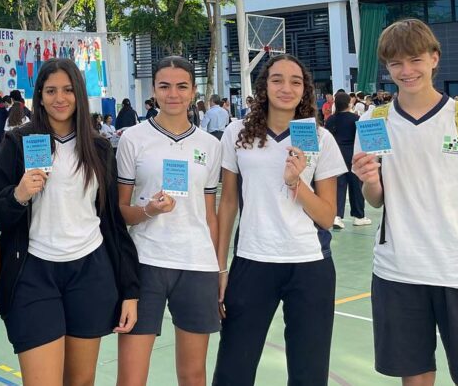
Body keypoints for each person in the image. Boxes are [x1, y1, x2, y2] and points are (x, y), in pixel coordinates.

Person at [352, 19, 458, 386]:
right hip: (397, 272)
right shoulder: (373, 121)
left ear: (434, 58)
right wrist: (370, 182)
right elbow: (376, 201)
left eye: (415, 60)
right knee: (415, 377)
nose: (406, 71)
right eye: (395, 64)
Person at [0, 58, 140, 384]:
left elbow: (114, 222)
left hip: (89, 272)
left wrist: (130, 289)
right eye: (51, 91)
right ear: (40, 96)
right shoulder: (18, 142)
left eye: (68, 90)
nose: (60, 98)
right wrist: (18, 194)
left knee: (81, 381)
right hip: (34, 273)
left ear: (79, 94)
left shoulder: (99, 147)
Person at [213, 55, 346, 384]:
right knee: (233, 370)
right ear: (263, 86)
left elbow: (328, 216)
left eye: (295, 82)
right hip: (252, 261)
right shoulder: (237, 133)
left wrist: (295, 184)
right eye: (277, 80)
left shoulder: (319, 139)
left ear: (305, 90)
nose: (286, 88)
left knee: (309, 373)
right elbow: (227, 203)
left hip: (310, 265)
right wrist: (221, 267)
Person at [117, 57, 223, 386]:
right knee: (132, 377)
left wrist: (220, 268)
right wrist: (149, 210)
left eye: (181, 86)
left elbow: (210, 214)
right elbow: (121, 210)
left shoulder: (210, 145)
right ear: (154, 91)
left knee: (192, 375)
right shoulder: (133, 139)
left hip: (197, 265)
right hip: (145, 262)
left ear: (193, 91)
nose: (172, 94)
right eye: (164, 86)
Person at [325, 92, 369, 229]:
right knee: (356, 185)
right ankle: (359, 216)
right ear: (349, 103)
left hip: (336, 155)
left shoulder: (331, 119)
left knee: (339, 185)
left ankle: (337, 216)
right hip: (353, 154)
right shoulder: (356, 118)